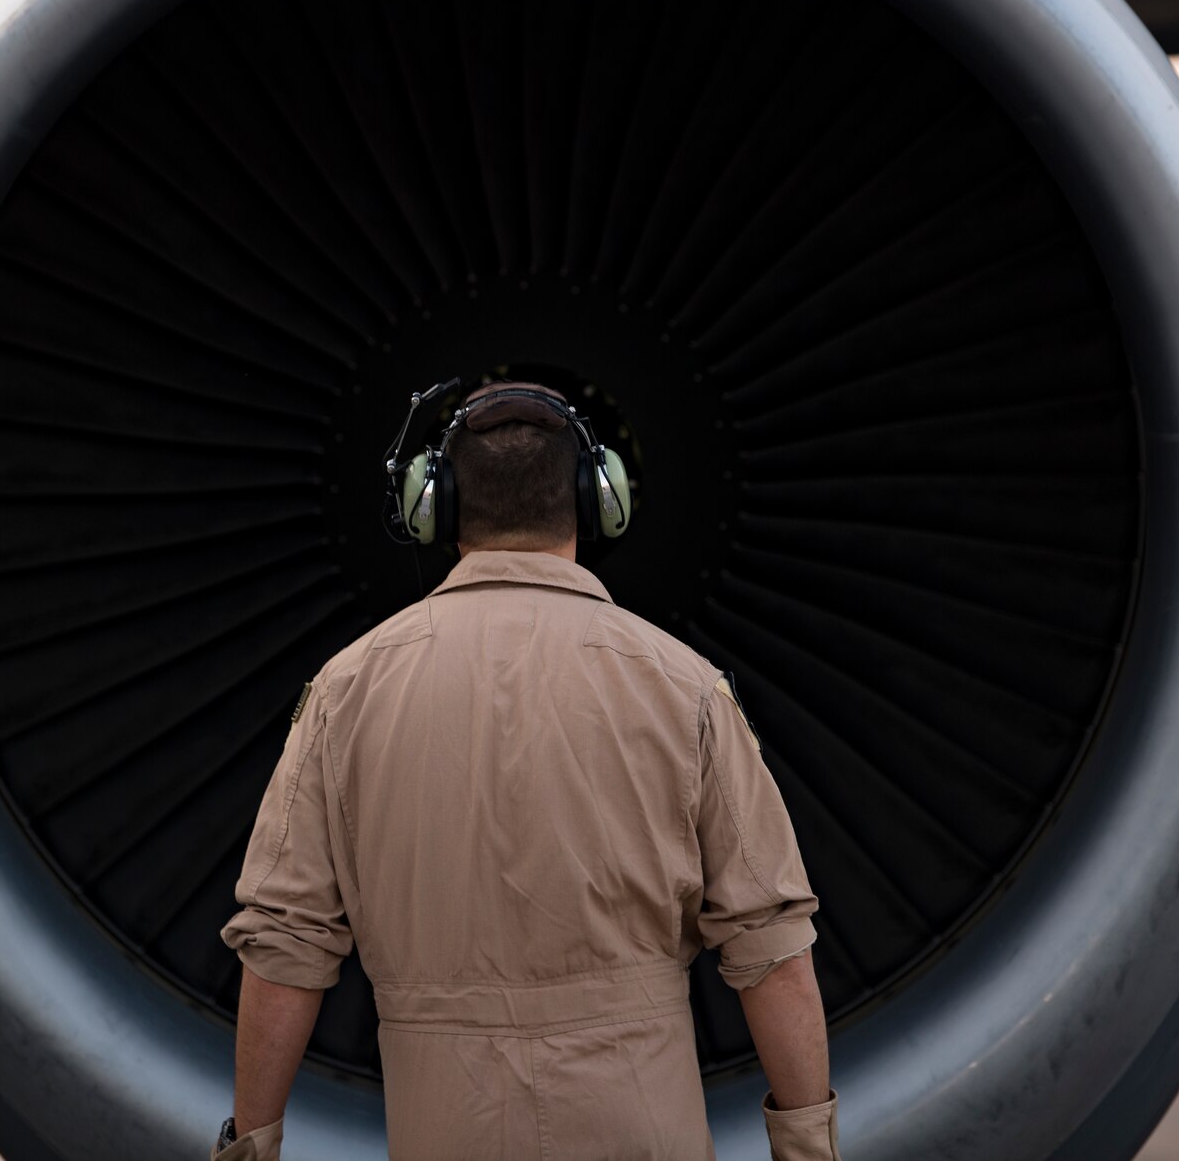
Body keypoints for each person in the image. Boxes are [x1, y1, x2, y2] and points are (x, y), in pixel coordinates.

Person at [214, 380, 839, 1160]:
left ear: (433, 509)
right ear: (593, 499)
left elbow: (284, 945)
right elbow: (771, 948)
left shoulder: (347, 693)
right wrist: (810, 1149)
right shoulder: (686, 688)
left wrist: (249, 1148)